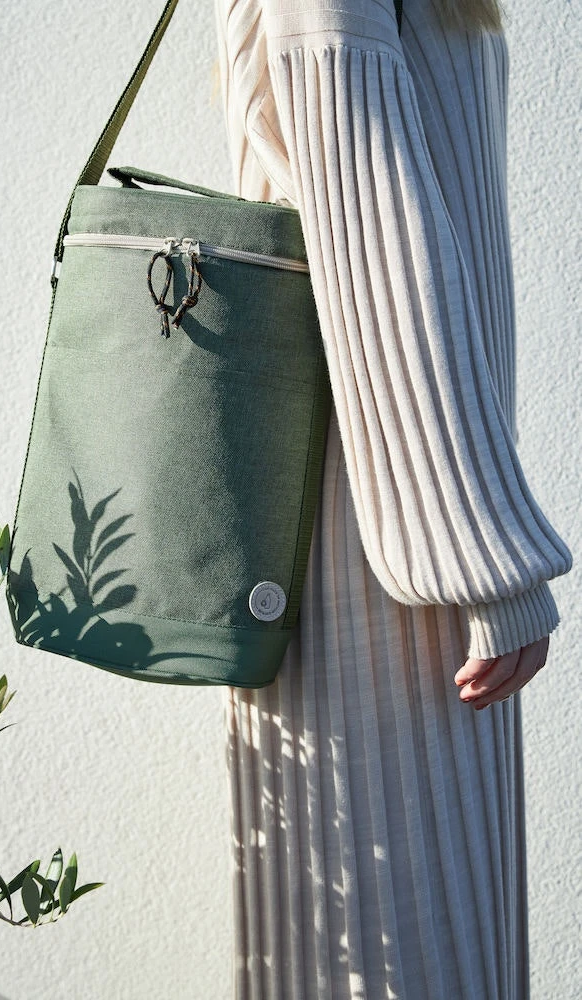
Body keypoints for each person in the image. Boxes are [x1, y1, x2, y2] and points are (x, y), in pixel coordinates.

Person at [212, 0, 574, 997]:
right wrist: (484, 556)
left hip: (387, 518)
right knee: (399, 942)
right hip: (367, 538)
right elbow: (367, 232)